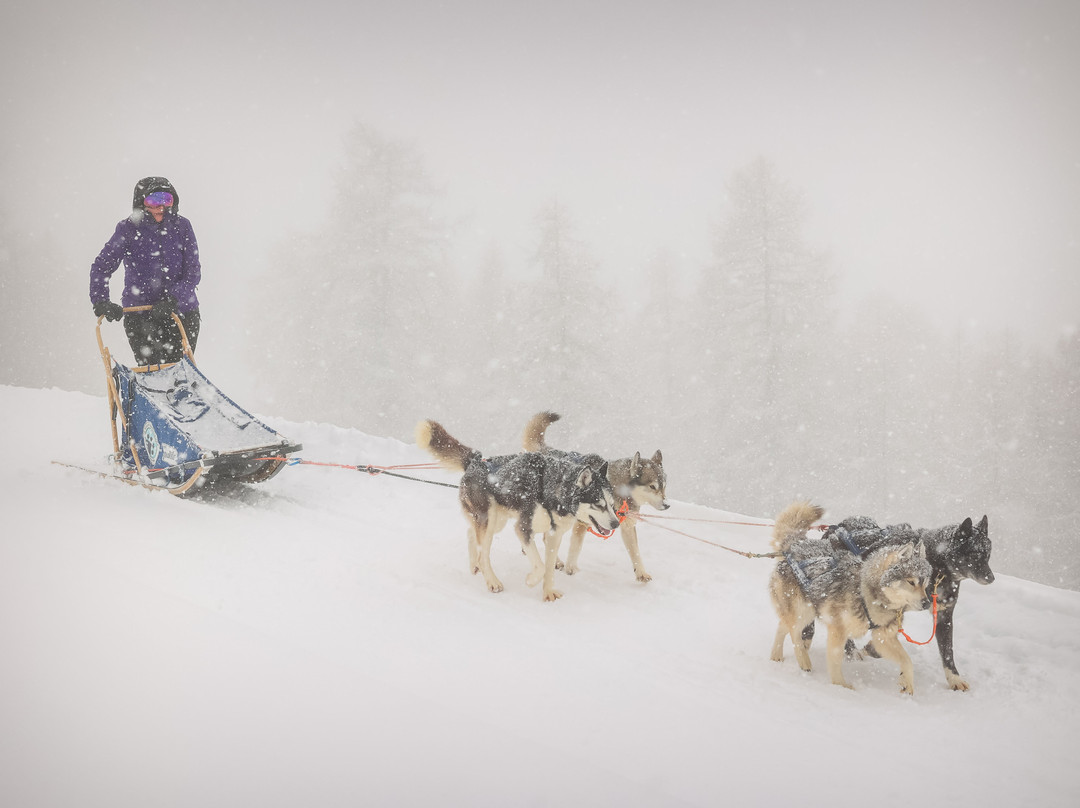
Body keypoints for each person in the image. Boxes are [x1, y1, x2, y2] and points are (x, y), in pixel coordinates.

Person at [89, 176, 202, 365]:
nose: (161, 207)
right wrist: (101, 301)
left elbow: (193, 272)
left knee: (180, 373)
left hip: (181, 314)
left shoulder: (182, 227)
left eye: (167, 200)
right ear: (141, 203)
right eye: (153, 201)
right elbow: (102, 266)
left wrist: (173, 299)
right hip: (141, 316)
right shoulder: (127, 229)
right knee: (152, 374)